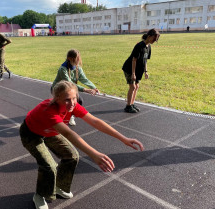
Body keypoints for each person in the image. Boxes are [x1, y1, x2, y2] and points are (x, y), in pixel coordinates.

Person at [20, 80, 144, 209]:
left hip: (50, 132)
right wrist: (94, 154)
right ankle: (40, 195)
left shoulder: (73, 106)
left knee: (72, 156)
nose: (72, 102)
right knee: (49, 166)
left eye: (74, 98)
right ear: (57, 98)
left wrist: (123, 139)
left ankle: (59, 187)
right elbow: (69, 134)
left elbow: (95, 122)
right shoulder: (49, 110)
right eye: (67, 99)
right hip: (31, 134)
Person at [51, 49, 99, 126]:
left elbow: (84, 79)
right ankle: (56, 120)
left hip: (69, 90)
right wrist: (85, 90)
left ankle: (70, 116)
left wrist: (94, 87)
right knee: (60, 105)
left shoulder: (78, 68)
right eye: (76, 58)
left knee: (79, 101)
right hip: (58, 90)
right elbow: (70, 83)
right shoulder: (63, 69)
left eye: (79, 58)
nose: (78, 60)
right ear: (69, 58)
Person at [122, 28, 160, 113]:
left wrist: (146, 71)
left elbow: (145, 60)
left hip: (139, 70)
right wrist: (133, 73)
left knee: (137, 86)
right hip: (129, 68)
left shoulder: (148, 47)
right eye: (154, 38)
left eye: (156, 39)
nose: (155, 40)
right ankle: (128, 106)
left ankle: (132, 103)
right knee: (133, 86)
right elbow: (134, 60)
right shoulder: (139, 46)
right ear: (149, 36)